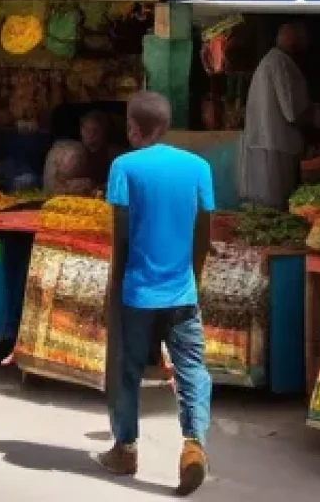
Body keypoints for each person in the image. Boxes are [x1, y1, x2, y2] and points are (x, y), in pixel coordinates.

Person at [98, 91, 214, 494]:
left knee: (127, 372)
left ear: (133, 128)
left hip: (137, 293)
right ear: (165, 127)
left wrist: (114, 291)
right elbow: (203, 232)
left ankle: (125, 448)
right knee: (192, 370)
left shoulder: (123, 167)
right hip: (182, 292)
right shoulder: (198, 167)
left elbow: (121, 237)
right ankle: (194, 444)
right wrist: (192, 280)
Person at [238, 23, 315, 210]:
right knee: (274, 207)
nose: (307, 43)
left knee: (263, 207)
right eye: (303, 38)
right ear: (293, 40)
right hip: (274, 144)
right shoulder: (279, 63)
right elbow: (292, 112)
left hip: (267, 144)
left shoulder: (274, 61)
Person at [79, 110, 121, 188]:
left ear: (105, 132)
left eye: (95, 131)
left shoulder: (115, 154)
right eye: (87, 130)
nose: (90, 135)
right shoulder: (73, 155)